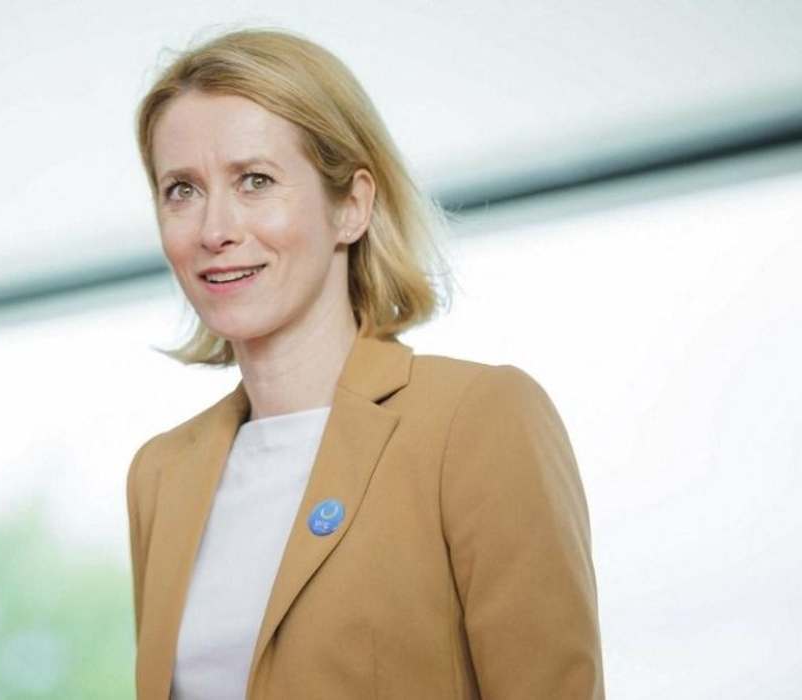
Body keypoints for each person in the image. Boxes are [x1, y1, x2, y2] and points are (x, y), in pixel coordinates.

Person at [125, 26, 604, 700]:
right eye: (181, 190)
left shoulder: (476, 419)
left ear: (351, 206)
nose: (215, 230)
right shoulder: (160, 474)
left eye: (255, 181)